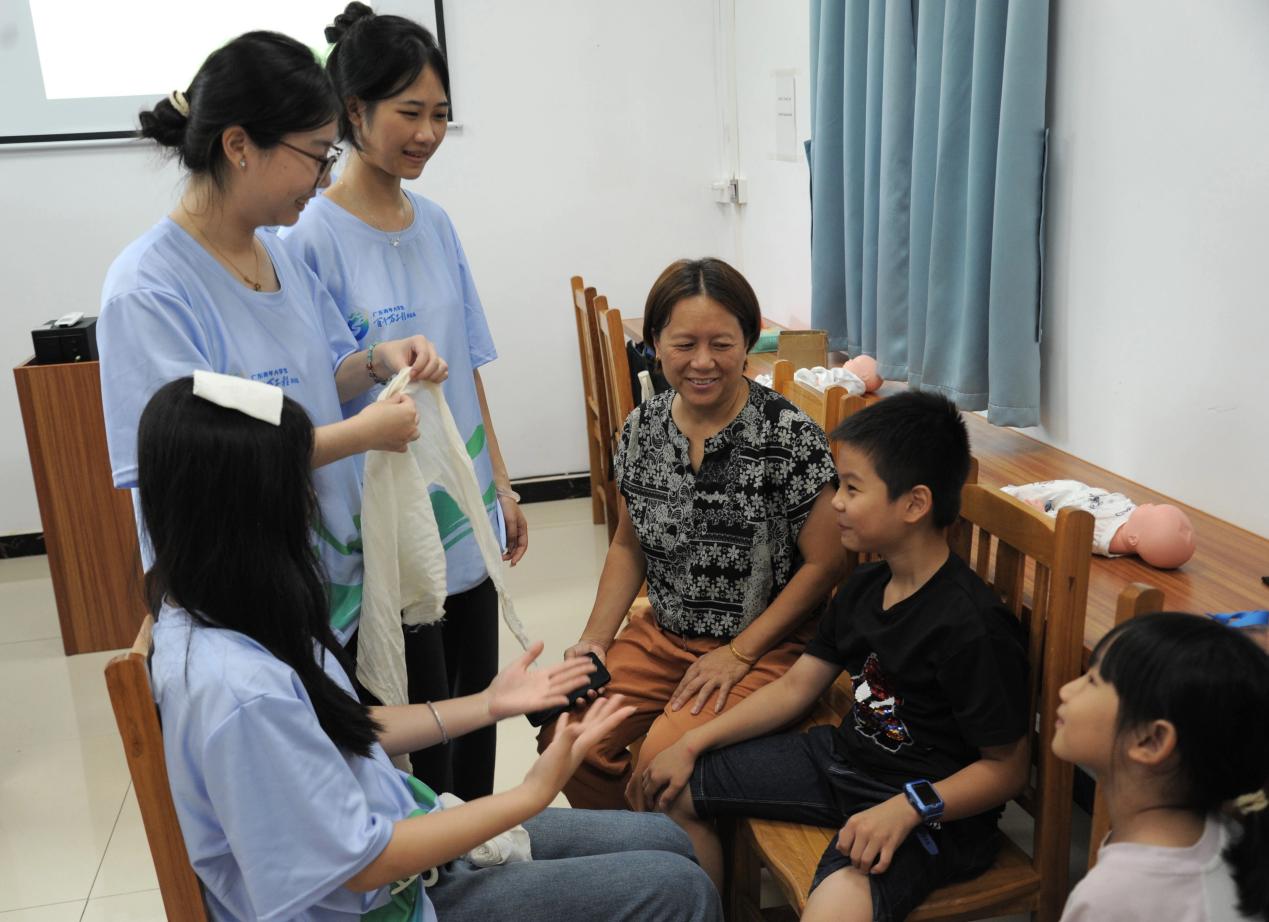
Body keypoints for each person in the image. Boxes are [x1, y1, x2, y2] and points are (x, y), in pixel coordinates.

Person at [139, 374, 723, 922]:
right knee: (677, 886)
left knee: (666, 840)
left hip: (401, 842)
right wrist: (533, 792)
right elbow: (362, 862)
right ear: (248, 512)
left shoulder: (214, 609)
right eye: (298, 479)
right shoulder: (240, 690)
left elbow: (336, 727)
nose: (313, 497)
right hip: (387, 897)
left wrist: (488, 704)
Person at [99, 30, 448, 646]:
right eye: (316, 155)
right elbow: (197, 463)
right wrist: (361, 434)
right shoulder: (149, 289)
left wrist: (375, 361)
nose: (323, 178)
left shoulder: (276, 253)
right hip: (243, 603)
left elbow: (321, 377)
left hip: (330, 579)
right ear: (239, 145)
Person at [638, 391, 1031, 922]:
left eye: (851, 488)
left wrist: (909, 807)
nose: (836, 503)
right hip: (844, 763)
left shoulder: (973, 627)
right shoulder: (864, 585)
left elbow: (1007, 770)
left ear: (915, 504)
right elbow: (796, 687)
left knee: (835, 905)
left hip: (931, 811)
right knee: (671, 788)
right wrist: (691, 743)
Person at [281, 3, 520, 797]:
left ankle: (482, 851)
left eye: (440, 115)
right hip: (383, 526)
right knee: (419, 737)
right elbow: (316, 387)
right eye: (409, 113)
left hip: (462, 507)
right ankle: (436, 864)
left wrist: (502, 486)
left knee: (478, 713)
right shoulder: (309, 236)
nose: (427, 133)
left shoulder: (437, 223)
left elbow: (467, 365)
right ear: (354, 112)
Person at [542, 257, 844, 810]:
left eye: (721, 344)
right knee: (567, 739)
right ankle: (638, 853)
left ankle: (666, 861)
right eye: (684, 344)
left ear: (747, 343)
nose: (703, 362)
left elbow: (827, 564)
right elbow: (628, 545)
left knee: (661, 765)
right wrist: (594, 642)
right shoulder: (642, 428)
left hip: (768, 645)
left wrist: (740, 653)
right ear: (655, 344)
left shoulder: (788, 435)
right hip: (664, 636)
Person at [1053, 612, 1269, 922]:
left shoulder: (1112, 897)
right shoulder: (1229, 834)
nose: (1066, 690)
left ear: (1152, 740)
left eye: (1091, 680)